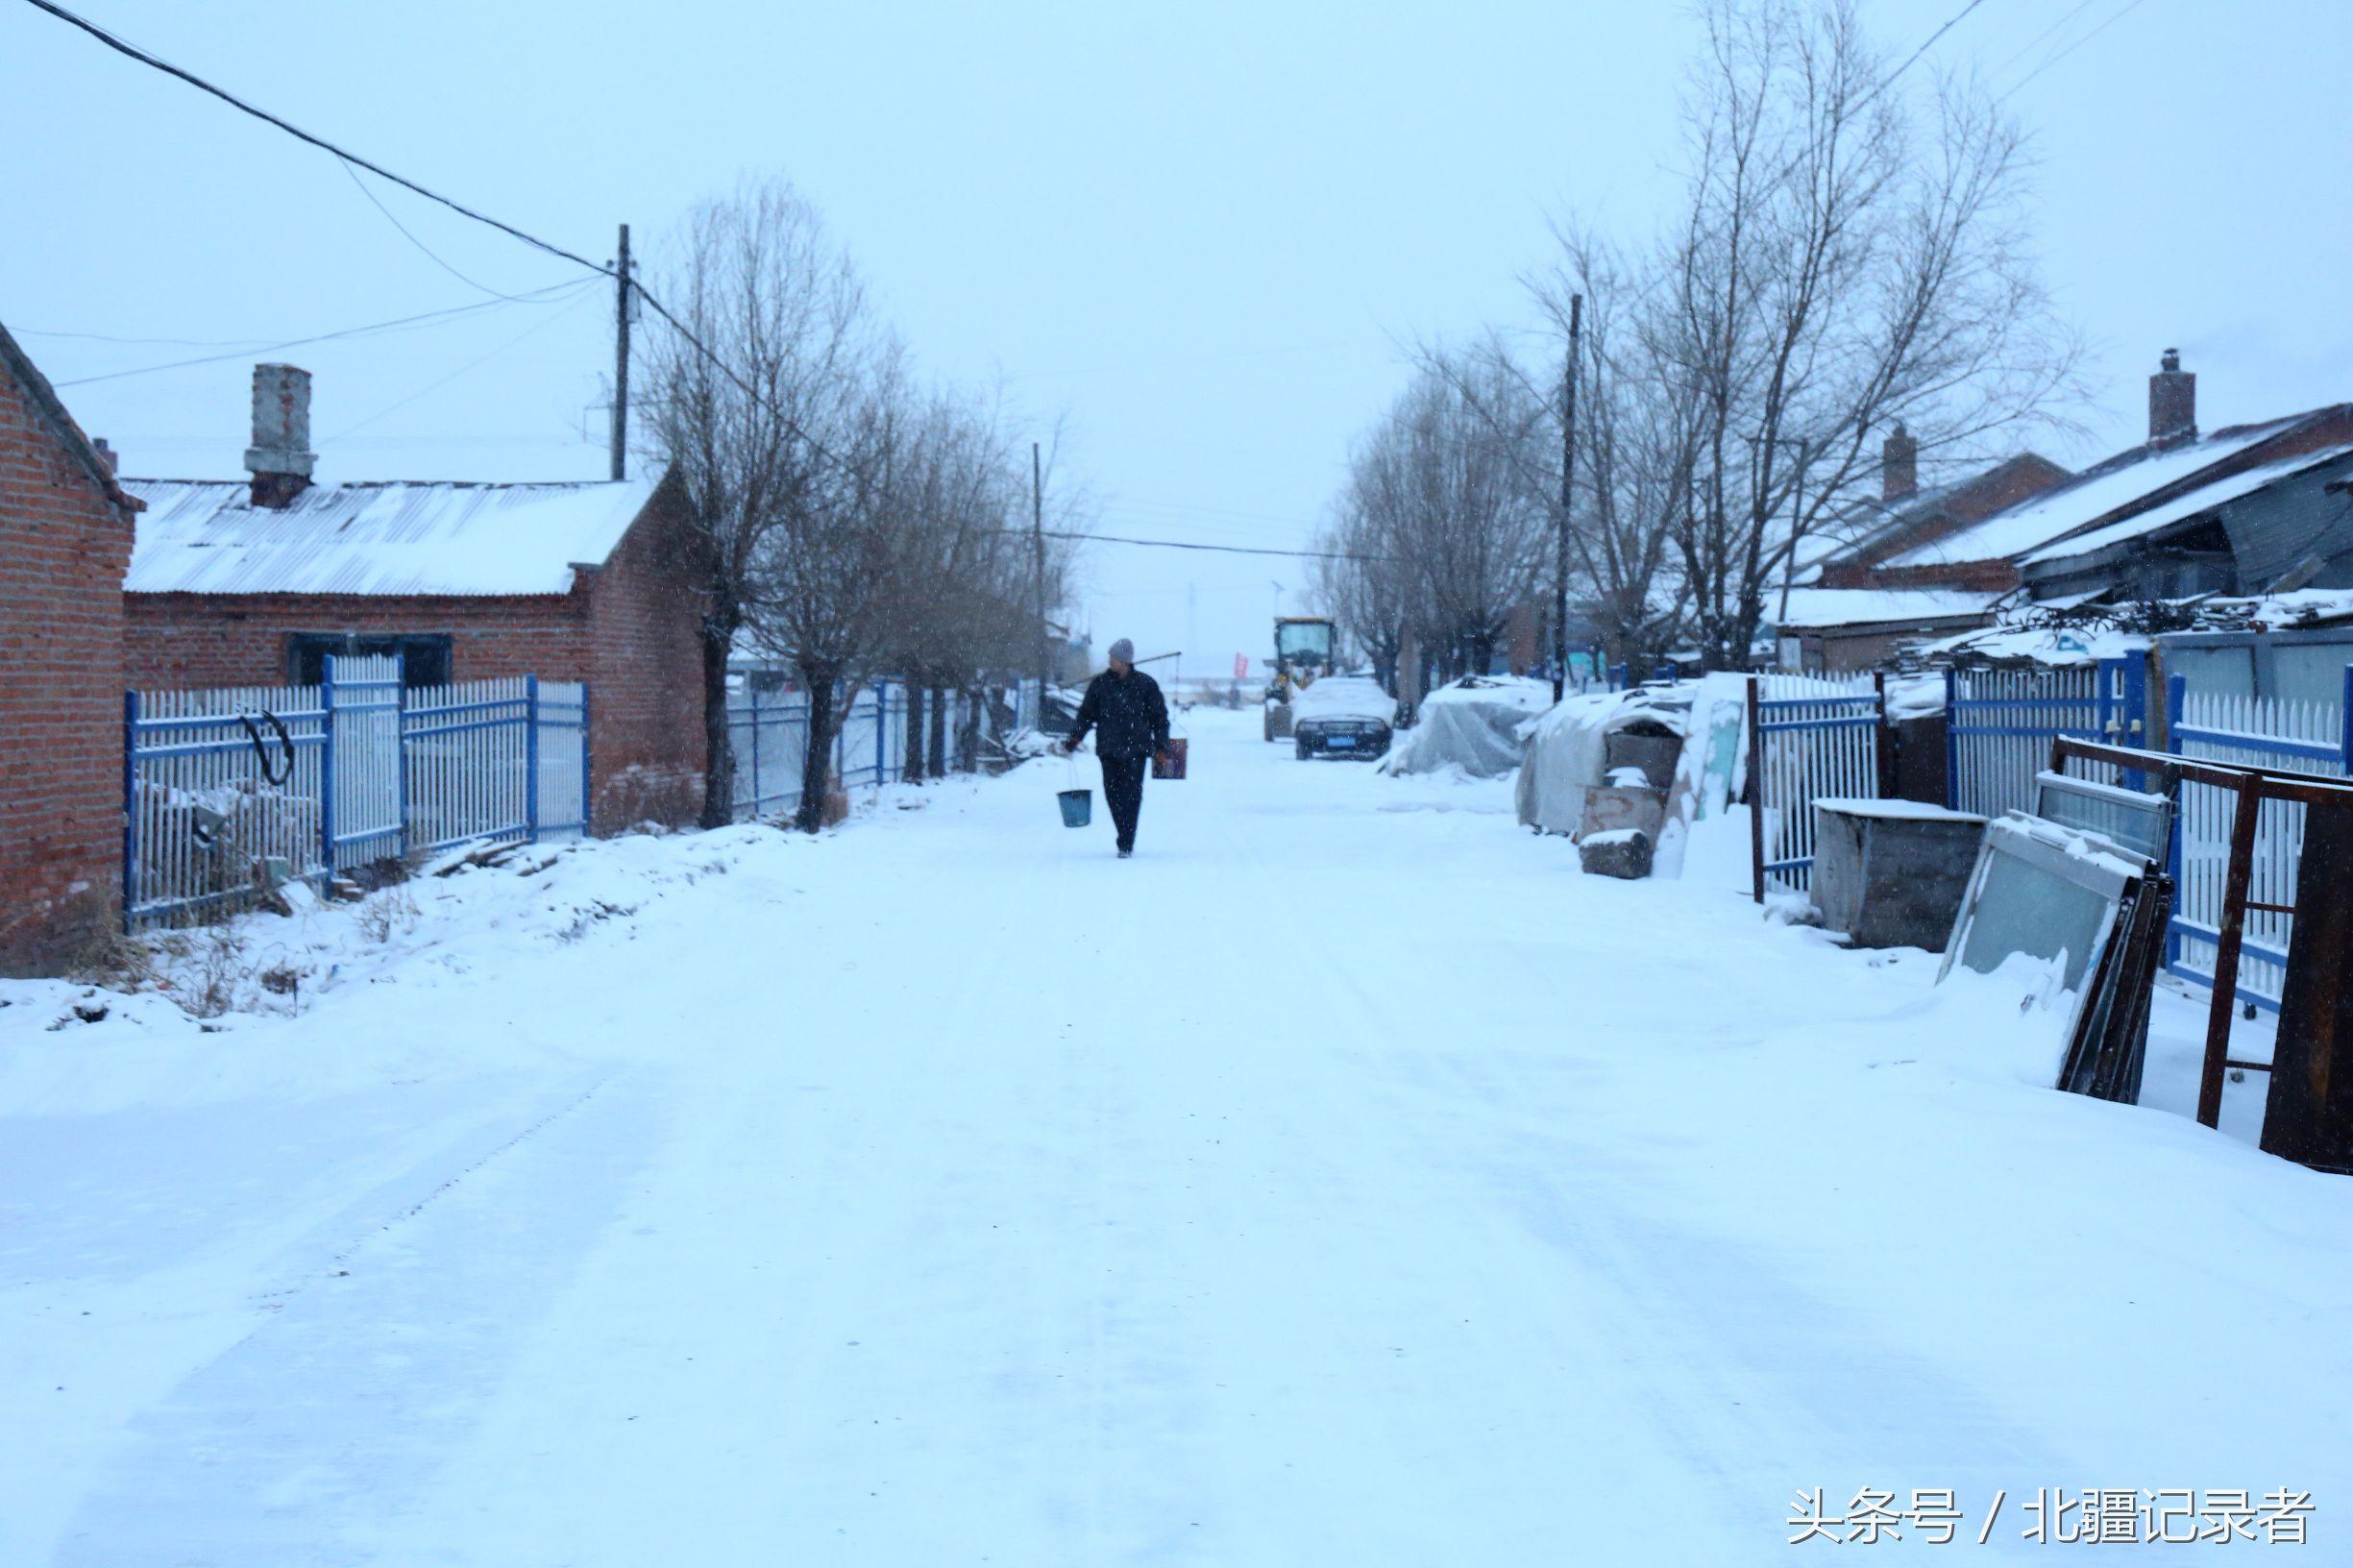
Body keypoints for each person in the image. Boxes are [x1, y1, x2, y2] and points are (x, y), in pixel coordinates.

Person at [1063, 638, 1170, 858]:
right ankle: (1124, 832)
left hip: (1137, 750)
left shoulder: (1146, 685)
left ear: (1125, 661)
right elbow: (1086, 714)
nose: (1110, 660)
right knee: (1112, 795)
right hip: (1108, 750)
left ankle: (1126, 842)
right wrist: (1075, 737)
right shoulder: (1100, 685)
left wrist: (1161, 746)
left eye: (1114, 657)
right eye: (1111, 657)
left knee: (1132, 796)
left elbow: (1160, 718)